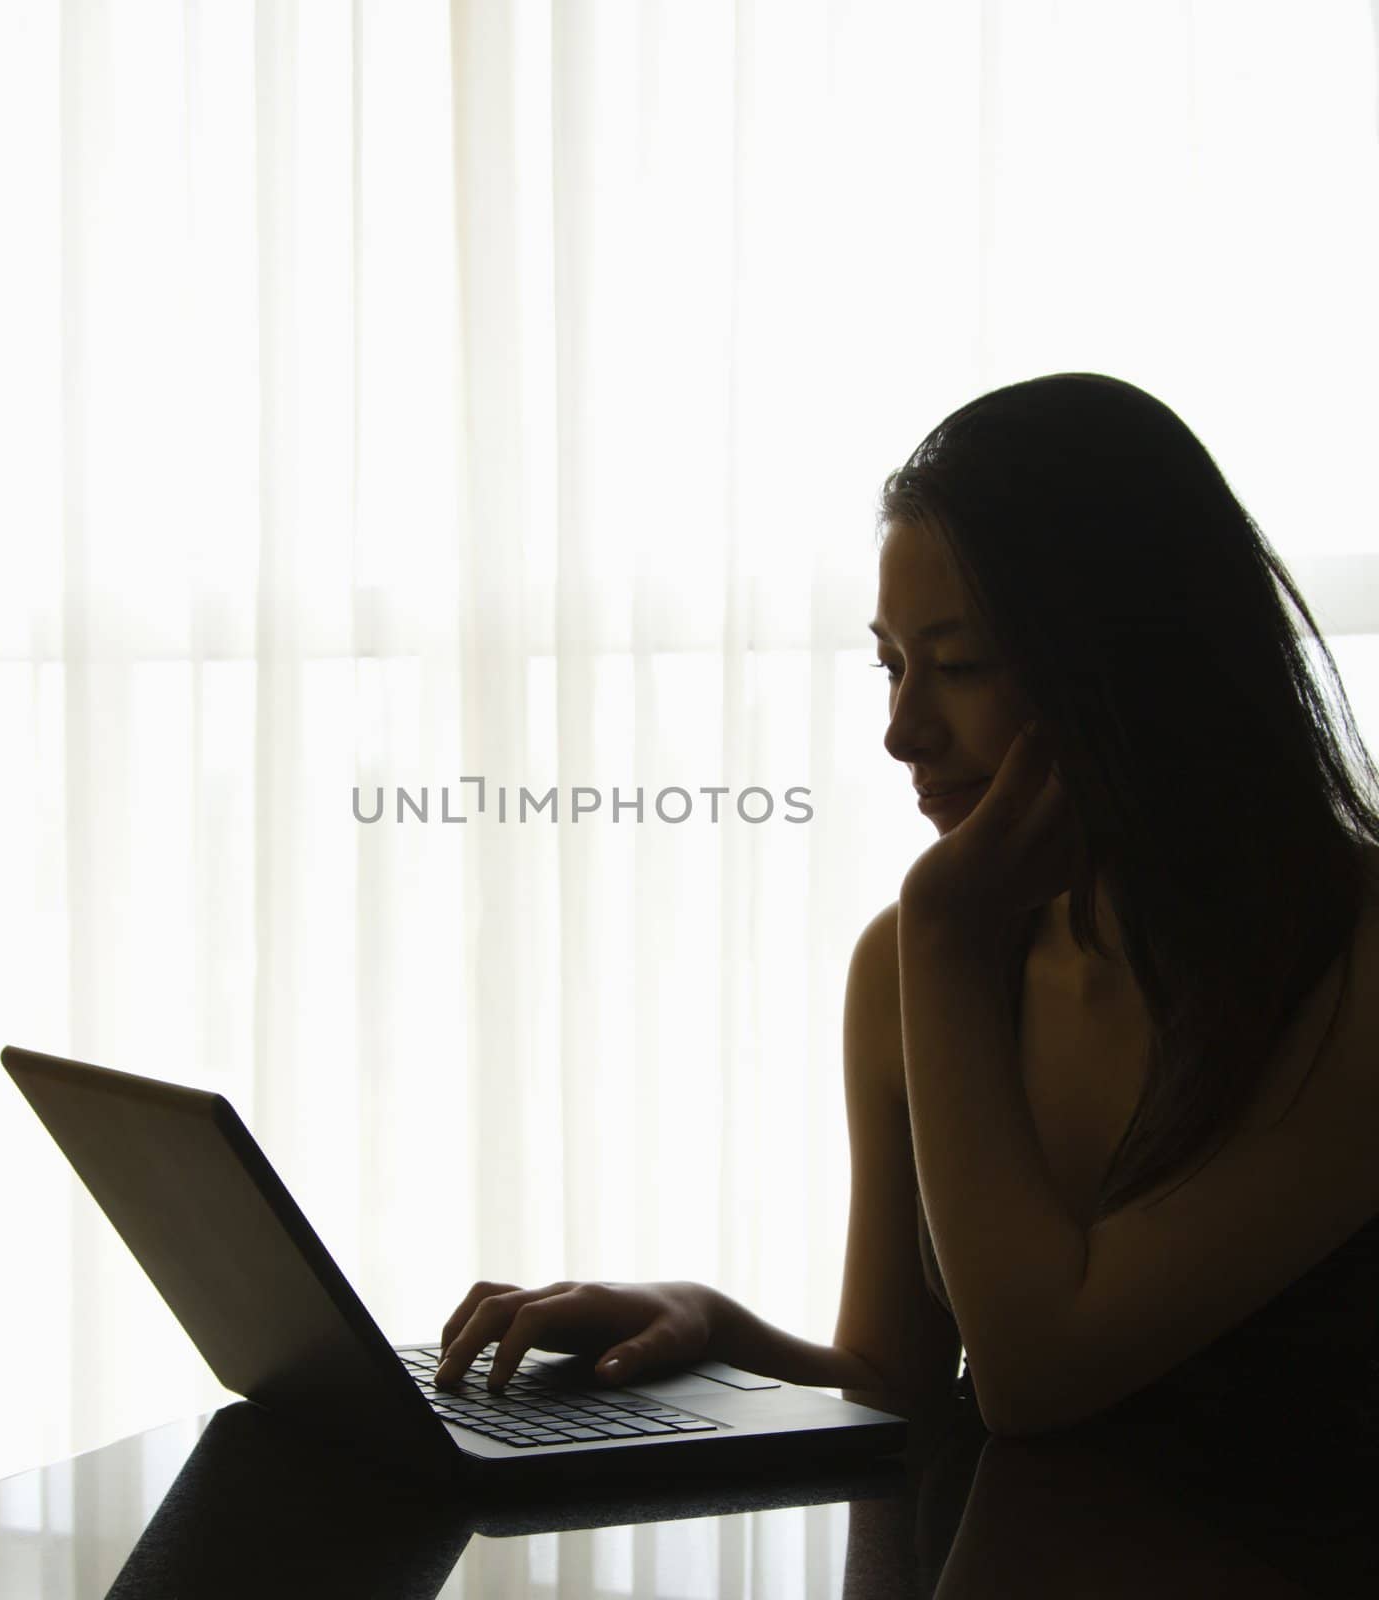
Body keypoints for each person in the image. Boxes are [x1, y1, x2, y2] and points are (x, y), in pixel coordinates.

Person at [432, 373, 1379, 1448]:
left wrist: (941, 933)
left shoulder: (1352, 956)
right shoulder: (921, 959)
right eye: (889, 666)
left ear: (1130, 666)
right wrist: (708, 1322)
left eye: (960, 665)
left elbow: (1036, 1378)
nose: (901, 731)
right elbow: (900, 1384)